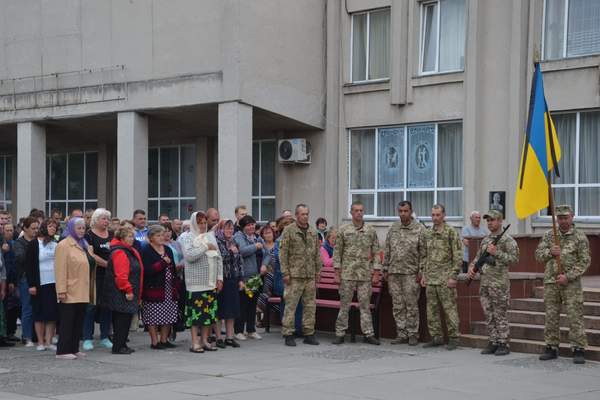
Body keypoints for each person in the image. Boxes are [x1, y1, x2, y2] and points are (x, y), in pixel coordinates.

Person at [535, 204, 591, 364]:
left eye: (565, 217)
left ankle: (578, 348)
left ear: (572, 216)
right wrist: (550, 252)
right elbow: (538, 255)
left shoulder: (580, 237)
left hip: (571, 284)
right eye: (559, 218)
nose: (562, 221)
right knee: (551, 316)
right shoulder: (549, 235)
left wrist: (568, 276)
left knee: (575, 316)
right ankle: (551, 347)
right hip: (551, 282)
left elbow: (585, 261)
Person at [468, 210, 519, 356]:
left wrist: (497, 252)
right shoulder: (485, 240)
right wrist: (472, 268)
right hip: (485, 283)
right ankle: (493, 341)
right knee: (488, 314)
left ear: (500, 221)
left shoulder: (508, 240)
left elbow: (514, 260)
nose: (490, 223)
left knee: (500, 314)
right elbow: (478, 258)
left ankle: (503, 342)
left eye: (493, 220)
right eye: (488, 220)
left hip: (499, 284)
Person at [332, 202, 381, 345]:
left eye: (361, 210)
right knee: (344, 305)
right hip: (347, 274)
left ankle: (368, 334)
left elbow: (377, 252)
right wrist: (337, 272)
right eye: (356, 211)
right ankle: (340, 333)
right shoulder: (343, 230)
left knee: (365, 306)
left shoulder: (370, 230)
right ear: (351, 212)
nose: (359, 213)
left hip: (364, 274)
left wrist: (376, 272)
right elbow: (337, 252)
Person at [383, 201, 427, 346]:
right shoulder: (394, 228)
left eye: (405, 211)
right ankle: (401, 333)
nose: (403, 213)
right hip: (394, 273)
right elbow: (387, 249)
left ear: (411, 211)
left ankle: (413, 333)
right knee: (398, 305)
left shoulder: (419, 229)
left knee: (411, 305)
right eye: (400, 211)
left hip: (411, 273)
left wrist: (421, 271)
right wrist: (385, 269)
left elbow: (424, 253)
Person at [179, 211, 223, 353]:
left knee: (209, 315)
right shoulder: (186, 237)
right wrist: (205, 247)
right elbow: (190, 256)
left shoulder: (210, 236)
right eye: (200, 223)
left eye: (204, 223)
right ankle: (195, 342)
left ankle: (205, 341)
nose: (203, 226)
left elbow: (218, 257)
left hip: (210, 282)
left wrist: (220, 277)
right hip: (196, 283)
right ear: (193, 223)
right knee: (196, 315)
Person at [421, 204, 462, 350]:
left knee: (449, 309)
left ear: (444, 215)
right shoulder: (427, 233)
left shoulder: (451, 232)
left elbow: (457, 256)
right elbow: (424, 255)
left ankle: (454, 338)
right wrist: (423, 274)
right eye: (433, 215)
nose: (435, 218)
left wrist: (453, 276)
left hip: (445, 278)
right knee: (431, 310)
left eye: (438, 215)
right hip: (431, 277)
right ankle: (436, 337)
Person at [279, 204, 321, 346]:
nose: (305, 216)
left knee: (310, 306)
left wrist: (317, 272)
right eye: (302, 214)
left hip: (309, 275)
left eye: (307, 214)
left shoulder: (313, 232)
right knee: (291, 305)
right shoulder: (289, 231)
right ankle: (288, 333)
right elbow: (283, 253)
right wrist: (285, 272)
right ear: (297, 215)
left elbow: (317, 253)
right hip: (294, 275)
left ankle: (309, 333)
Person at [54, 217, 96, 360]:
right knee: (68, 321)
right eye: (79, 228)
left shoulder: (83, 244)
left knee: (78, 320)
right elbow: (60, 269)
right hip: (70, 290)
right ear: (71, 228)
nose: (82, 231)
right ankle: (62, 350)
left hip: (83, 290)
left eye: (84, 228)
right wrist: (61, 290)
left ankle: (73, 348)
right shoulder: (64, 245)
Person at [103, 224, 144, 355]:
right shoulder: (120, 252)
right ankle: (118, 346)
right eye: (130, 236)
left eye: (133, 236)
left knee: (124, 319)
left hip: (126, 291)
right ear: (122, 238)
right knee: (122, 319)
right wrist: (128, 290)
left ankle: (122, 344)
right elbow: (121, 275)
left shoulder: (127, 250)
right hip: (122, 292)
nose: (133, 239)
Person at [140, 225, 179, 349]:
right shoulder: (146, 250)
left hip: (169, 287)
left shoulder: (167, 249)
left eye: (162, 235)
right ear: (151, 238)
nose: (162, 237)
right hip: (153, 288)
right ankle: (154, 342)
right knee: (153, 316)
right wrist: (162, 263)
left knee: (168, 314)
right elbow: (147, 270)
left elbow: (172, 266)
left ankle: (164, 340)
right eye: (158, 235)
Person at [24, 219, 59, 351]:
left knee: (52, 313)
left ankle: (49, 341)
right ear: (44, 227)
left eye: (54, 227)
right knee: (38, 313)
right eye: (50, 226)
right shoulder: (34, 244)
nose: (53, 229)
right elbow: (29, 265)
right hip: (39, 283)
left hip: (53, 282)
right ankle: (40, 341)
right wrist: (31, 284)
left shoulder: (55, 243)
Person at [233, 215, 269, 340]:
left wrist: (264, 264)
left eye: (253, 224)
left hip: (257, 276)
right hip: (245, 276)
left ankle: (251, 329)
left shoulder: (257, 237)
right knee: (243, 303)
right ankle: (238, 330)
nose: (251, 227)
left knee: (253, 303)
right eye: (248, 225)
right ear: (243, 227)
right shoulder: (238, 237)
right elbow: (242, 251)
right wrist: (255, 247)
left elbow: (267, 253)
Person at [82, 208, 114, 351]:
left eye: (108, 219)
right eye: (103, 219)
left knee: (107, 306)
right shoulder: (88, 236)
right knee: (91, 307)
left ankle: (105, 336)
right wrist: (107, 264)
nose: (106, 222)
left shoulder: (112, 235)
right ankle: (87, 338)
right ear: (96, 219)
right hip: (95, 275)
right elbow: (91, 255)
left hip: (110, 276)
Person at [216, 220, 243, 348]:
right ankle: (218, 338)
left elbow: (240, 261)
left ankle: (230, 337)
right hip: (221, 279)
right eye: (227, 228)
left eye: (231, 228)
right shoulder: (216, 241)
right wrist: (232, 252)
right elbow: (220, 258)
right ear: (221, 229)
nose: (230, 231)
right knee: (220, 310)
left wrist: (241, 279)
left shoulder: (234, 241)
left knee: (232, 310)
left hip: (233, 279)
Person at [13, 217, 39, 346]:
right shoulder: (19, 243)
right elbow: (20, 258)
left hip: (39, 277)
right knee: (27, 308)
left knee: (38, 307)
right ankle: (26, 336)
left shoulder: (39, 241)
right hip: (25, 278)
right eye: (33, 228)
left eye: (37, 228)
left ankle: (36, 335)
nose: (35, 231)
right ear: (25, 229)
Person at [2, 224, 19, 343]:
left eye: (11, 230)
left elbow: (13, 264)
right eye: (7, 230)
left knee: (13, 306)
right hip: (3, 278)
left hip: (11, 279)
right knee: (5, 308)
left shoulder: (13, 244)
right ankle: (4, 333)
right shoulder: (3, 245)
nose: (9, 232)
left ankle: (10, 332)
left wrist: (12, 281)